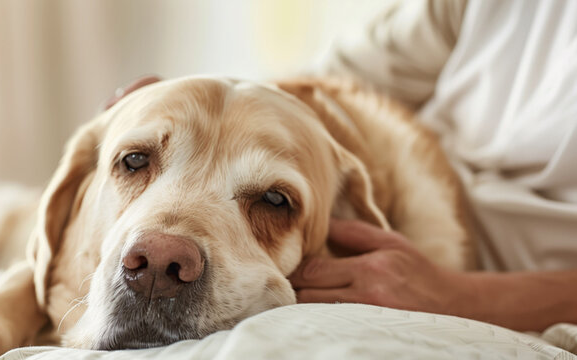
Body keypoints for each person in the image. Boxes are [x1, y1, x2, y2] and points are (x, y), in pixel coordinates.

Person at [107, 0, 577, 332]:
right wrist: (184, 109)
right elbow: (318, 88)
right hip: (401, 212)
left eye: (271, 200)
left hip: (490, 275)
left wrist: (459, 298)